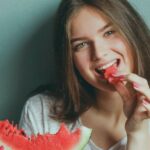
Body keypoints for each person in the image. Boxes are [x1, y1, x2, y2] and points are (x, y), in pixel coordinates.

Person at [19, 0, 150, 149]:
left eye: (109, 33)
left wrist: (138, 134)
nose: (99, 53)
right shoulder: (41, 111)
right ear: (69, 58)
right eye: (81, 45)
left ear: (132, 31)